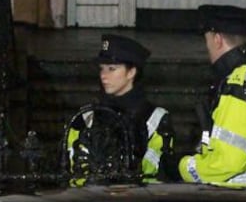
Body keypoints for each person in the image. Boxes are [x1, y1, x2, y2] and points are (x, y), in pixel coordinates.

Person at [174, 5, 246, 186]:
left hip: (235, 196)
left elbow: (226, 163)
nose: (207, 48)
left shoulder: (240, 86)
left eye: (207, 41)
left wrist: (182, 167)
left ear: (217, 40)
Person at [67, 33, 175, 183]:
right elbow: (72, 168)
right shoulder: (86, 117)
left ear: (131, 72)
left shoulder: (155, 118)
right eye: (102, 69)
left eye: (112, 69)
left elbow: (155, 171)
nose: (104, 75)